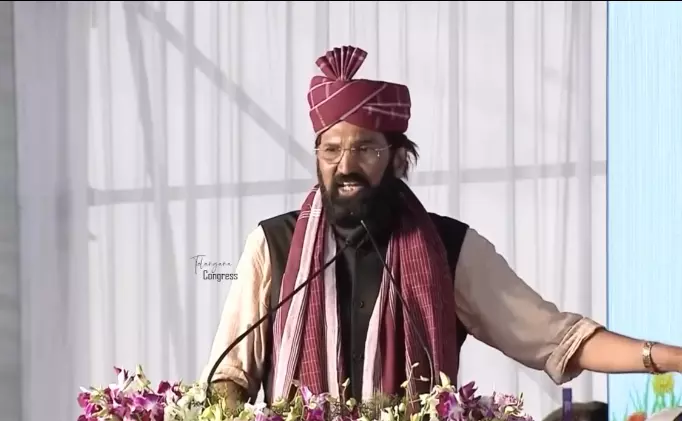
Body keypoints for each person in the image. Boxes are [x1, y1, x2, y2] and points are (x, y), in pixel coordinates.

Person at [201, 45, 682, 406]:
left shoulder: (449, 249)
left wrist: (670, 358)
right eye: (331, 150)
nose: (345, 166)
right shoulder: (273, 245)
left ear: (397, 159)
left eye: (364, 148)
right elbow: (229, 375)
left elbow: (556, 339)